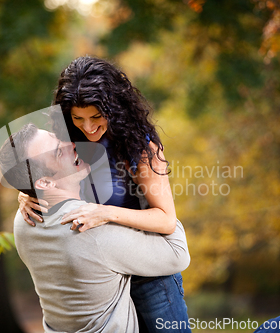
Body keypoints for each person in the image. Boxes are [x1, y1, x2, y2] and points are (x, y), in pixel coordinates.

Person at [18, 56, 191, 332]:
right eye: (78, 118)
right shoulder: (70, 141)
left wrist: (106, 213)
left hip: (150, 278)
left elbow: (166, 220)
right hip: (103, 281)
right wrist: (27, 193)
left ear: (115, 109)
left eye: (96, 117)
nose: (87, 127)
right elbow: (46, 175)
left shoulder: (142, 149)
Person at [0, 123, 190, 332]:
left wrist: (27, 191)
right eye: (58, 152)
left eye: (57, 136)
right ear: (45, 183)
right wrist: (155, 186)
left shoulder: (22, 221)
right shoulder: (89, 227)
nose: (70, 143)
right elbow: (178, 253)